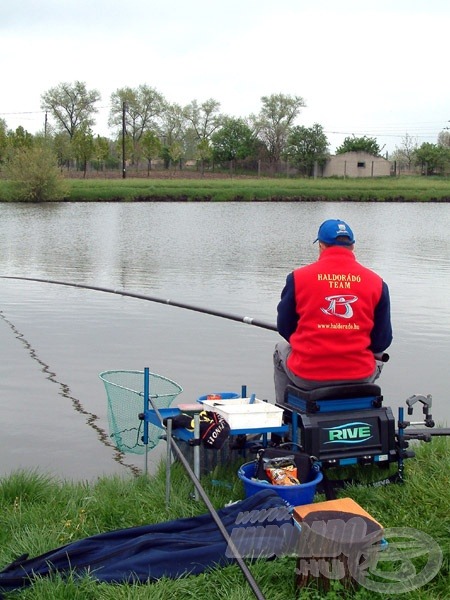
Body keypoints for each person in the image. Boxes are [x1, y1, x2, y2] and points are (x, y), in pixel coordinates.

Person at [274, 218, 392, 403]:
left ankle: (284, 417)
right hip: (360, 376)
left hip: (308, 377)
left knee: (280, 349)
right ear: (352, 247)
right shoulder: (377, 282)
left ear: (321, 245)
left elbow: (284, 328)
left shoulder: (298, 278)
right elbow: (381, 342)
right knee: (376, 359)